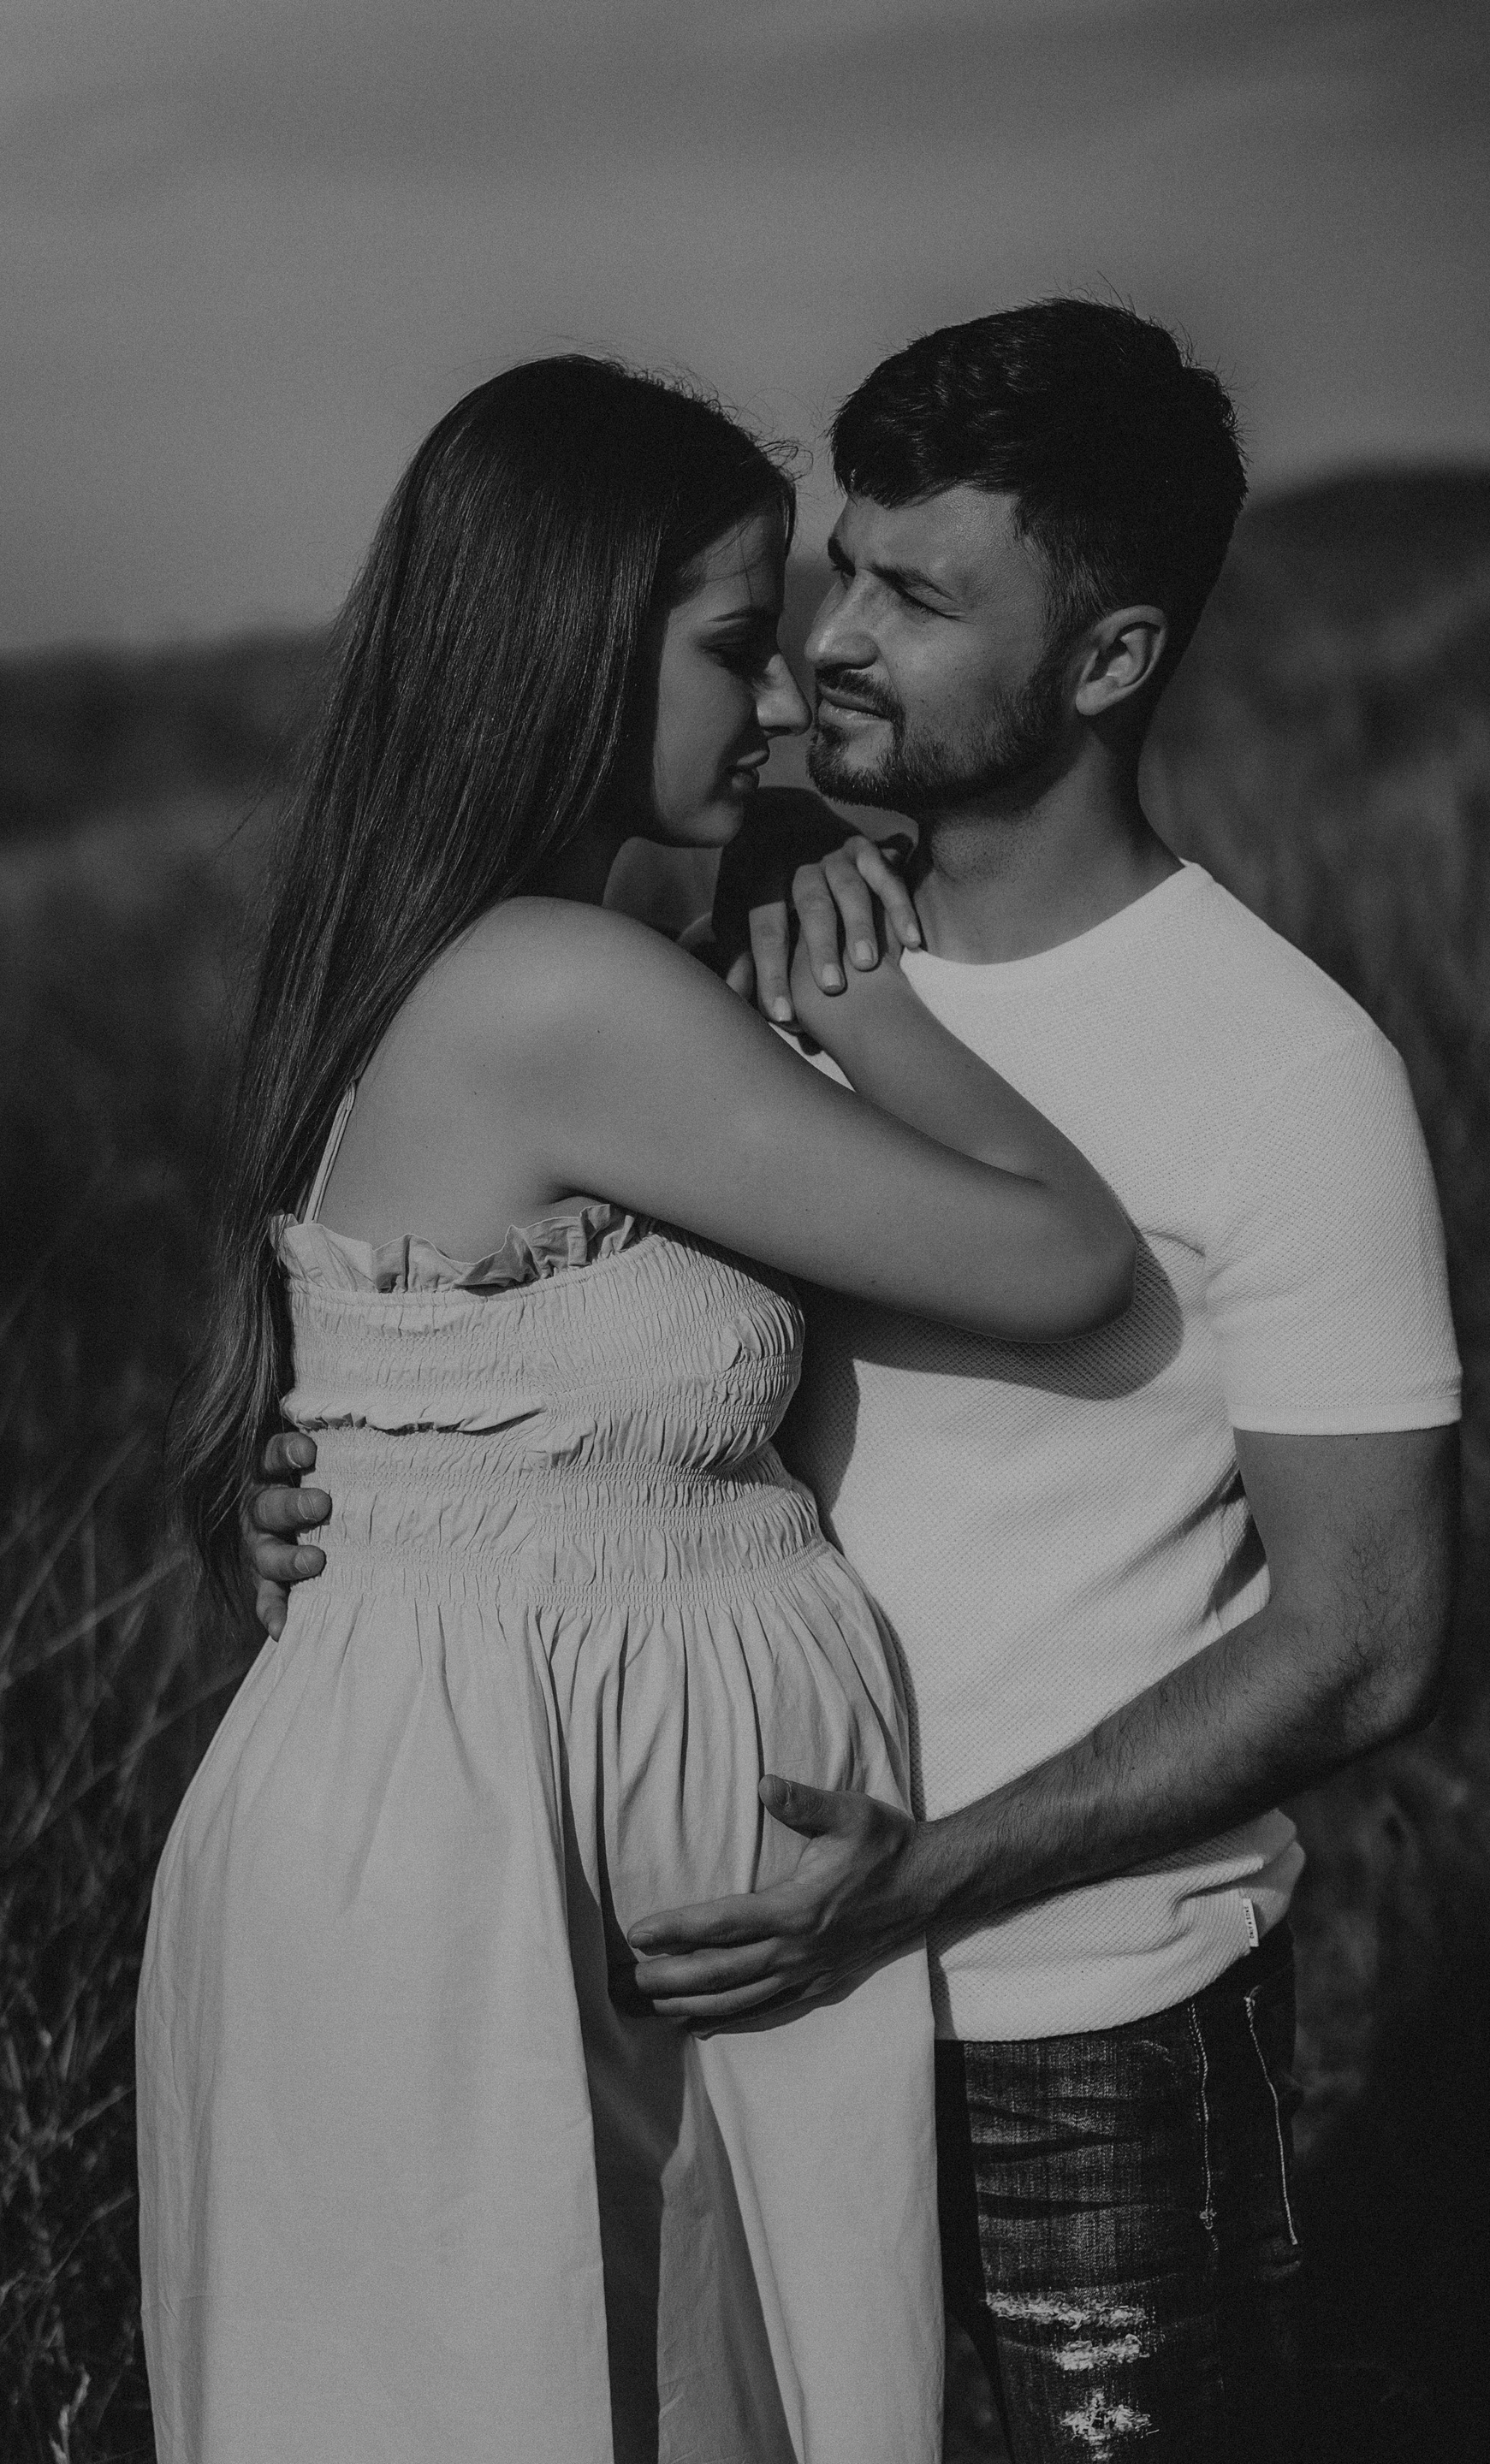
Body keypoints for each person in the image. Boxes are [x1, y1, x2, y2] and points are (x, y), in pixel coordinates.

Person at [250, 301, 1463, 2463]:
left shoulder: (1289, 1072)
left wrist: (939, 1874)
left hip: (1085, 2011)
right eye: (835, 577)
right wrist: (333, 1482)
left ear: (1109, 659)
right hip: (740, 2005)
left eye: (919, 597)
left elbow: (1369, 1641)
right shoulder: (720, 977)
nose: (832, 646)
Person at [143, 354, 1136, 2464]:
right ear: (570, 654)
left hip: (547, 1876)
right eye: (730, 649)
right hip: (491, 1891)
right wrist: (854, 983)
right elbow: (1061, 1258)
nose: (782, 705)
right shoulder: (561, 991)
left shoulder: (487, 957)